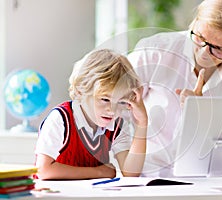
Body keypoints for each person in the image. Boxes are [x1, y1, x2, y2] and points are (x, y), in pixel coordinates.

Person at [127, 0, 222, 177]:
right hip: (146, 177)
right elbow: (110, 104)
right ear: (195, 22)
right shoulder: (156, 50)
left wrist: (200, 116)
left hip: (206, 181)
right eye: (200, 38)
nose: (203, 53)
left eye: (218, 49)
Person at [35, 49, 148, 180]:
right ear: (80, 92)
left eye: (120, 102)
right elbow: (43, 170)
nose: (112, 110)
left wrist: (142, 123)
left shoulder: (116, 125)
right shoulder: (61, 119)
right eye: (105, 100)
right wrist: (99, 172)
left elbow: (131, 173)